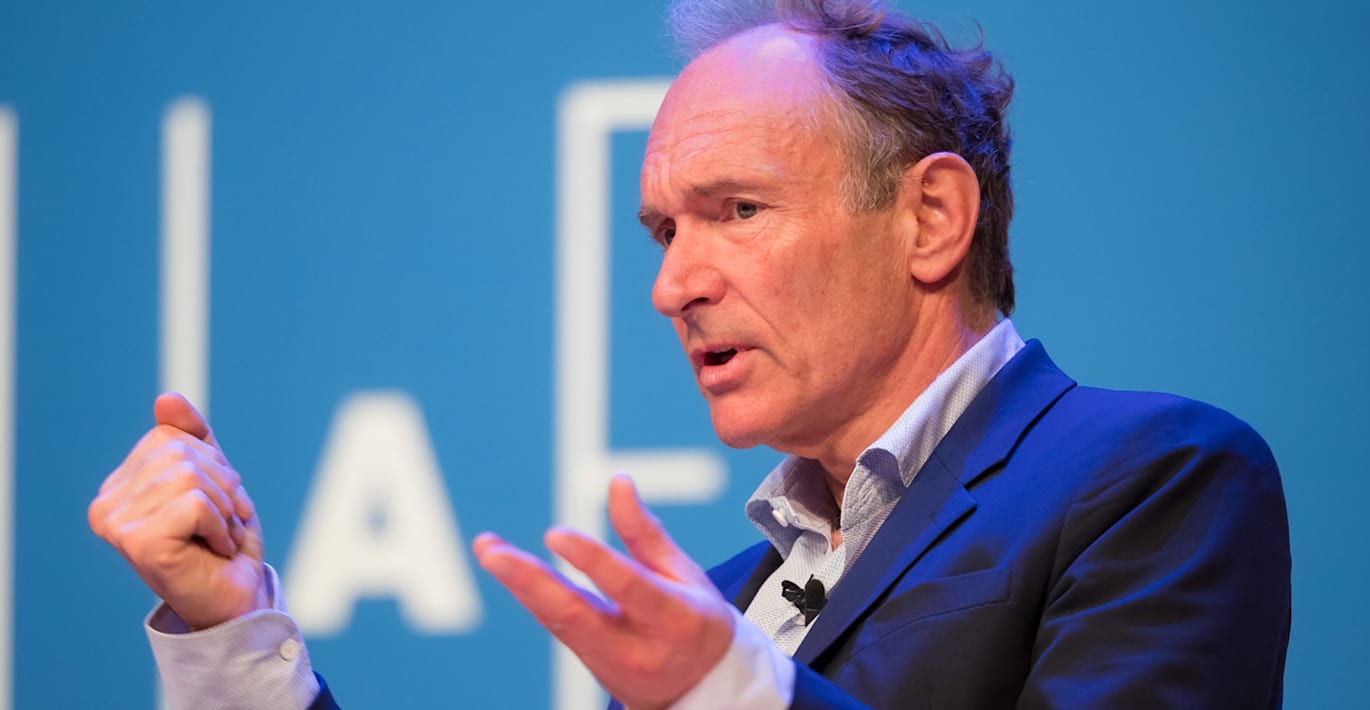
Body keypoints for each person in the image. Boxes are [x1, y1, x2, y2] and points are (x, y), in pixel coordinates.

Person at [89, 0, 1292, 708]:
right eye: (666, 231)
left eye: (738, 211)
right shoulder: (718, 609)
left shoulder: (1150, 478)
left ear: (930, 219)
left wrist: (731, 689)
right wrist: (233, 634)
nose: (673, 285)